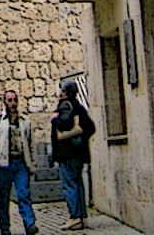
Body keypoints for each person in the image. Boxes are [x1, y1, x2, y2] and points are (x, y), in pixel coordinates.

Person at [0, 89, 39, 235]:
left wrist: (33, 164)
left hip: (20, 163)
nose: (13, 103)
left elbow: (31, 143)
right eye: (9, 100)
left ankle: (29, 223)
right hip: (4, 163)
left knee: (23, 193)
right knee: (4, 196)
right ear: (5, 102)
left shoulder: (25, 121)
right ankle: (4, 227)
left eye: (14, 100)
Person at [50, 78, 95, 231]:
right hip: (79, 153)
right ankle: (82, 217)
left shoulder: (65, 105)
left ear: (64, 91)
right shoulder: (79, 106)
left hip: (67, 153)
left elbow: (65, 122)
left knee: (69, 184)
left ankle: (74, 217)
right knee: (78, 184)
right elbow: (91, 127)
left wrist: (55, 120)